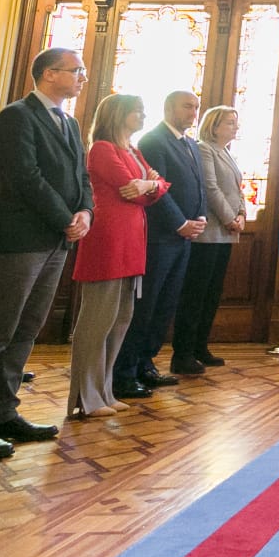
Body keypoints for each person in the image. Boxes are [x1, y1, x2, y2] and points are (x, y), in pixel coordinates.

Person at [0, 50, 92, 462]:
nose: (82, 77)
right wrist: (67, 217)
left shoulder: (69, 120)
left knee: (28, 328)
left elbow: (81, 175)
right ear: (49, 74)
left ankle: (3, 412)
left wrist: (85, 211)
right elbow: (25, 175)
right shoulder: (17, 116)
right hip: (22, 237)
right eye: (76, 70)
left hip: (56, 240)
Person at [71, 95, 167, 417]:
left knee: (121, 317)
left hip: (132, 240)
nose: (142, 115)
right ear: (118, 114)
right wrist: (144, 185)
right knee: (98, 320)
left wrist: (147, 185)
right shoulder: (102, 148)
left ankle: (105, 390)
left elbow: (159, 186)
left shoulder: (133, 150)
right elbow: (128, 187)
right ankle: (86, 397)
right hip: (108, 238)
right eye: (136, 111)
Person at [114, 90, 206, 397]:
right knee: (147, 304)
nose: (193, 112)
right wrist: (181, 223)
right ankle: (126, 369)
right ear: (169, 108)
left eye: (196, 107)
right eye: (187, 106)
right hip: (160, 237)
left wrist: (200, 218)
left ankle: (146, 363)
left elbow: (196, 187)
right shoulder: (154, 141)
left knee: (166, 304)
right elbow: (159, 192)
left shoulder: (190, 143)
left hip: (183, 237)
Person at [179, 105, 244, 373]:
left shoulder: (226, 152)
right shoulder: (204, 148)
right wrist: (230, 218)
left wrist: (241, 213)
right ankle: (184, 351)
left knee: (212, 293)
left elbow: (236, 188)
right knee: (196, 293)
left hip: (226, 234)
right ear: (214, 126)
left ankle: (200, 346)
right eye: (230, 122)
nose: (235, 127)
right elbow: (211, 187)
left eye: (235, 123)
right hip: (209, 232)